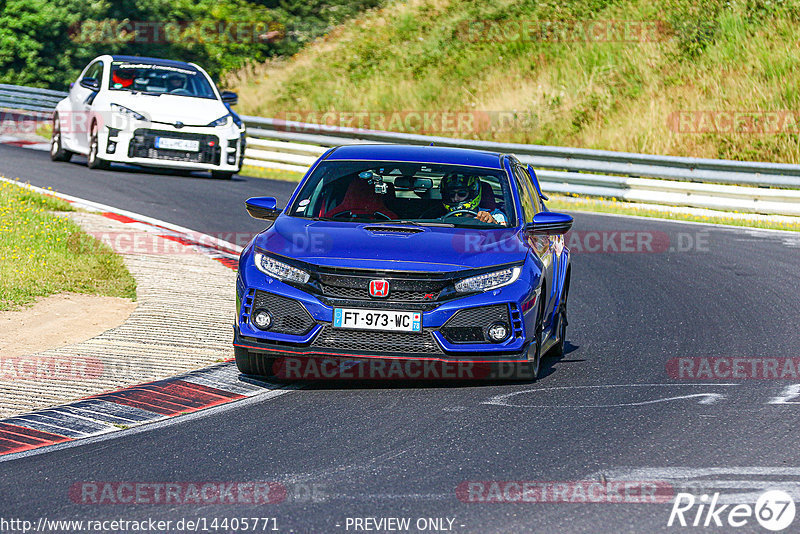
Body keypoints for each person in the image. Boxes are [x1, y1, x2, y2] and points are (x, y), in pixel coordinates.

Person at [439, 172, 507, 225]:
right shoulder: (442, 220)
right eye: (451, 195)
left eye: (461, 194)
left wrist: (492, 222)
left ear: (472, 194)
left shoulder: (496, 215)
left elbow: (506, 236)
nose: (455, 199)